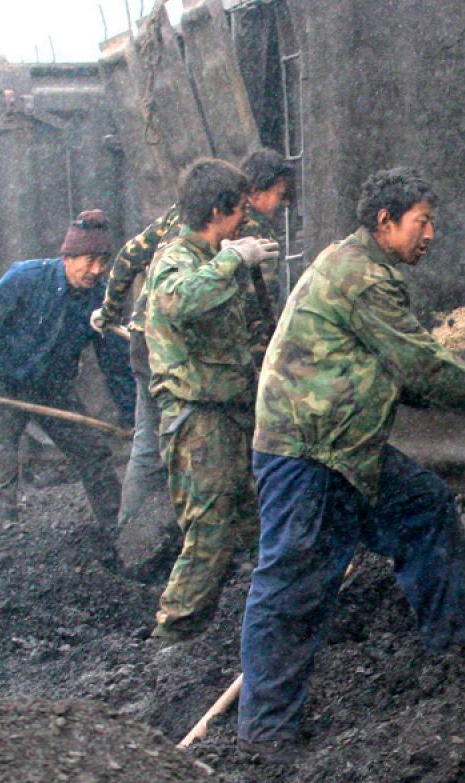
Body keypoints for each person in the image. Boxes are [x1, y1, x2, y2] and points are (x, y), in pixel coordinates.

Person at [238, 167, 465, 747]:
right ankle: (264, 739)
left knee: (427, 508)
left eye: (432, 221)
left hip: (346, 447)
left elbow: (396, 373)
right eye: (422, 222)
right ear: (385, 222)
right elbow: (421, 367)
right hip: (307, 452)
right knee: (292, 586)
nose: (430, 234)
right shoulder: (364, 279)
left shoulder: (363, 267)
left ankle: (457, 654)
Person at [93, 147, 294, 530]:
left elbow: (129, 256)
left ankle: (133, 532)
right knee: (217, 443)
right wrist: (261, 365)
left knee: (148, 446)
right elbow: (252, 310)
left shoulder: (181, 214)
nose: (278, 206)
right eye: (279, 195)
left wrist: (110, 310)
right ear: (251, 193)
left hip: (144, 337)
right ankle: (217, 534)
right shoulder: (245, 231)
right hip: (187, 352)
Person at [140, 158, 279, 640]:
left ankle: (269, 624)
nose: (244, 220)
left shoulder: (210, 262)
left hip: (230, 417)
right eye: (239, 210)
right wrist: (232, 260)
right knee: (211, 532)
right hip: (198, 423)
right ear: (218, 210)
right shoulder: (178, 260)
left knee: (256, 525)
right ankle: (174, 634)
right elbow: (180, 302)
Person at [0, 211, 134, 530]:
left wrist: (133, 417)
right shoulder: (26, 278)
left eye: (103, 261)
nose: (96, 270)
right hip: (5, 382)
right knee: (1, 467)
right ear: (68, 257)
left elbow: (116, 365)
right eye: (89, 260)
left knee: (93, 455)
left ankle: (120, 534)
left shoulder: (99, 300)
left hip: (54, 389)